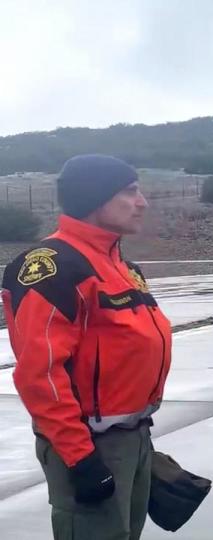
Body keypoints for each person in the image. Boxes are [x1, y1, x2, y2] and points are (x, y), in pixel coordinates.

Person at [1, 155, 172, 540]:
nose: (142, 202)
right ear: (96, 199)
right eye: (130, 191)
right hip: (88, 446)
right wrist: (81, 459)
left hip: (133, 438)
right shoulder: (53, 267)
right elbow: (40, 375)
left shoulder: (123, 267)